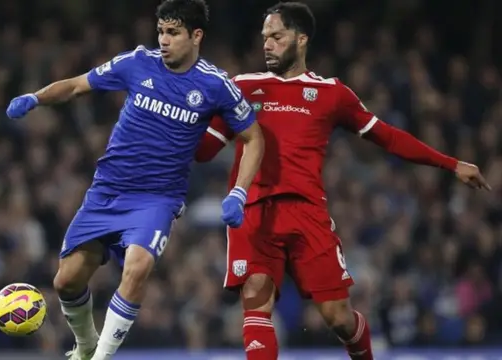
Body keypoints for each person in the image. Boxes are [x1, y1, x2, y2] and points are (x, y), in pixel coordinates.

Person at [194, 2, 490, 360]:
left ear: (300, 40)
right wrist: (178, 122)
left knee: (337, 317)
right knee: (256, 302)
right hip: (253, 209)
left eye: (276, 36)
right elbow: (205, 149)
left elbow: (388, 137)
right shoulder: (242, 87)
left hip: (307, 213)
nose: (267, 44)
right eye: (264, 38)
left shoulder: (332, 94)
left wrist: (450, 163)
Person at [5, 0, 264, 359]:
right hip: (107, 191)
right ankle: (85, 345)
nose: (164, 40)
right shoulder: (137, 62)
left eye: (173, 33)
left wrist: (238, 192)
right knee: (65, 281)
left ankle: (102, 357)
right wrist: (36, 97)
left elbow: (254, 137)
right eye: (161, 31)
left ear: (196, 35)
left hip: (156, 199)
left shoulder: (215, 85)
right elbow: (78, 85)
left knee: (138, 265)